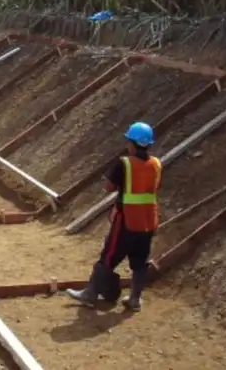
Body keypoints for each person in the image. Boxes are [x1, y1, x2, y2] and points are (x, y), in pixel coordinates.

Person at [65, 122, 162, 312]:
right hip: (148, 222)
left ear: (132, 143)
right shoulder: (156, 164)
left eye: (128, 141)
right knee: (140, 262)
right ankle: (135, 299)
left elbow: (109, 187)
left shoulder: (124, 163)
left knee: (108, 256)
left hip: (126, 221)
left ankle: (91, 293)